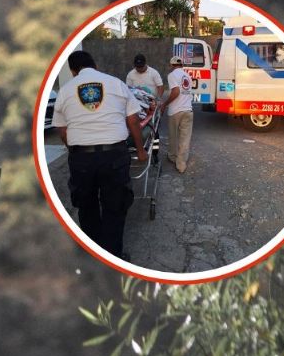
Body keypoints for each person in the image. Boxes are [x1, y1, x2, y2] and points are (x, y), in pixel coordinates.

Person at [51, 51, 147, 259]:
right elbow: (133, 121)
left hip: (81, 159)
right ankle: (113, 256)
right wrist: (140, 150)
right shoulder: (116, 84)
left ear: (72, 70)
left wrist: (75, 152)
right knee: (115, 207)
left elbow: (62, 129)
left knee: (87, 207)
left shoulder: (65, 91)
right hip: (114, 156)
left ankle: (93, 256)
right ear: (94, 65)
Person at [161, 56, 194, 173]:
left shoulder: (172, 75)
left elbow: (176, 91)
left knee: (173, 136)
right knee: (185, 138)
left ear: (171, 65)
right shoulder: (188, 76)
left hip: (175, 111)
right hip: (188, 110)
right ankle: (181, 164)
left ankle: (173, 157)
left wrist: (165, 104)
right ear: (182, 65)